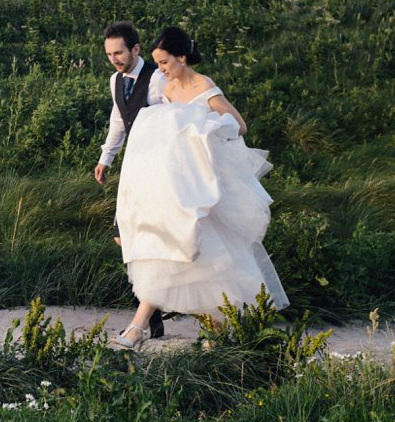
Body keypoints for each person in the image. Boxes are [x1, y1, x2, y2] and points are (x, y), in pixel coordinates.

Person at [111, 26, 289, 349]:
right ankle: (141, 326)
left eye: (164, 63)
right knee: (169, 251)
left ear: (182, 57)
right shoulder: (166, 87)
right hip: (179, 184)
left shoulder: (205, 87)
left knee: (209, 261)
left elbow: (239, 126)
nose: (161, 70)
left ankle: (214, 333)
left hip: (206, 186)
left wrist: (203, 129)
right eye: (158, 64)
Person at [93, 21, 168, 337]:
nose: (114, 59)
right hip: (134, 168)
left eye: (119, 52)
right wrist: (105, 158)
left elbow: (173, 119)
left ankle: (152, 310)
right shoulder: (115, 80)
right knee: (123, 236)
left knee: (153, 238)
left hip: (160, 168)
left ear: (136, 49)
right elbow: (117, 121)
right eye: (109, 54)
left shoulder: (156, 79)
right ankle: (155, 307)